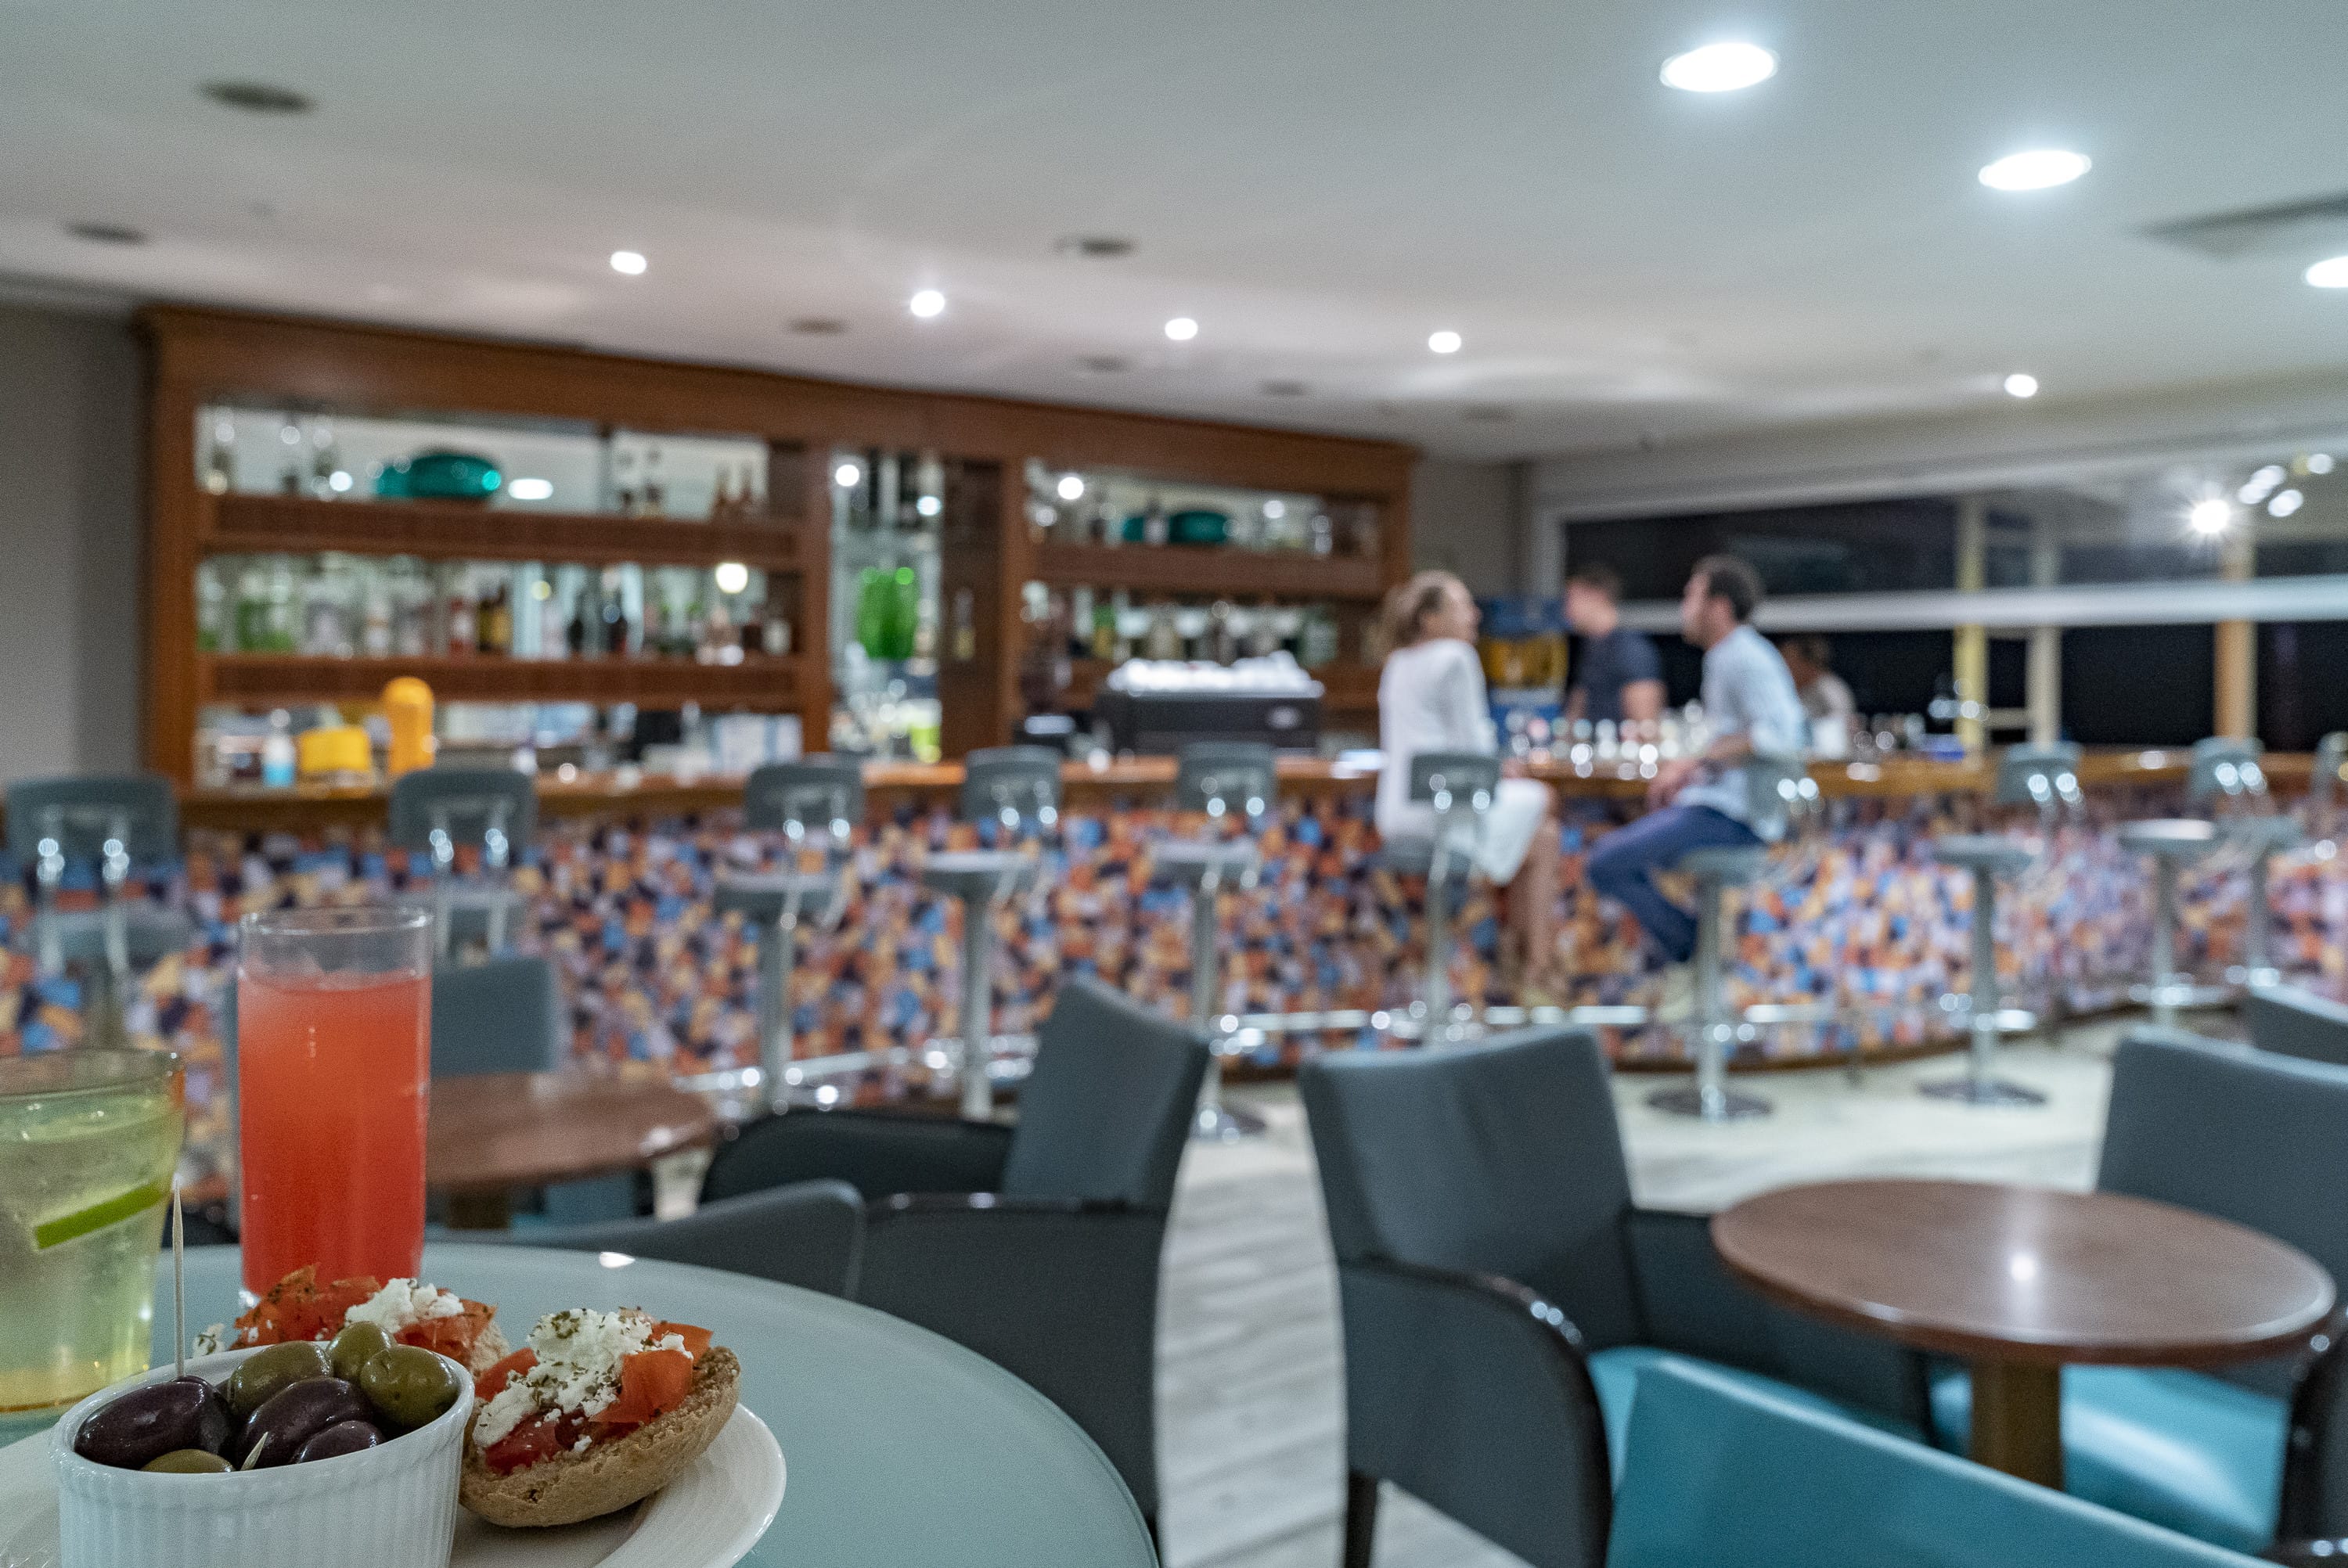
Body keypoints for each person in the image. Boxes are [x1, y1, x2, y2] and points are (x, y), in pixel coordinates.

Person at [1586, 556, 1806, 1011]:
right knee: (1616, 855)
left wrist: (1693, 762)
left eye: (1691, 596)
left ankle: (1690, 946)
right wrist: (1693, 769)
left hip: (1737, 818)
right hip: (1718, 807)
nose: (1683, 607)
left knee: (1605, 862)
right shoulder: (1727, 657)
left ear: (1719, 607)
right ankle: (1695, 950)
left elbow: (1784, 735)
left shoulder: (1744, 657)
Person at [1375, 570, 1564, 993]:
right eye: (1463, 606)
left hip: (1397, 821)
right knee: (1545, 804)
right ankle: (1534, 966)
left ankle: (1528, 960)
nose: (1476, 614)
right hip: (1444, 819)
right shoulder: (1456, 657)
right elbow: (1473, 749)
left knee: (1543, 837)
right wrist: (1503, 767)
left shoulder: (1397, 663)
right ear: (1430, 619)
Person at [1562, 563, 1664, 728]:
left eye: (1572, 598)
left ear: (1597, 596)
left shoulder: (1631, 649)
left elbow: (1646, 724)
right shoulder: (1591, 648)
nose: (1567, 610)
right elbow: (1576, 711)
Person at [1780, 634, 1856, 759]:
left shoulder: (1830, 689)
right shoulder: (1787, 690)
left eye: (1789, 661)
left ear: (1805, 662)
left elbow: (1840, 733)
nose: (1784, 667)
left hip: (1828, 763)